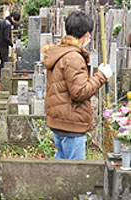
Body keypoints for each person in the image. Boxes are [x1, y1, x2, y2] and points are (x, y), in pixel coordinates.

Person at [42, 11, 113, 160]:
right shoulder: (73, 57)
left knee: (61, 165)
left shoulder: (60, 52)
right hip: (71, 123)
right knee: (75, 173)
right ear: (86, 34)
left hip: (59, 120)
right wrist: (101, 75)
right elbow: (80, 92)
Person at [0, 12, 20, 82]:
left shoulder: (3, 21)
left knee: (3, 61)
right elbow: (6, 37)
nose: (15, 22)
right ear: (12, 18)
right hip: (3, 45)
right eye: (15, 20)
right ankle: (3, 78)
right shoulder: (8, 24)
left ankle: (1, 77)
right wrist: (12, 44)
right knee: (5, 61)